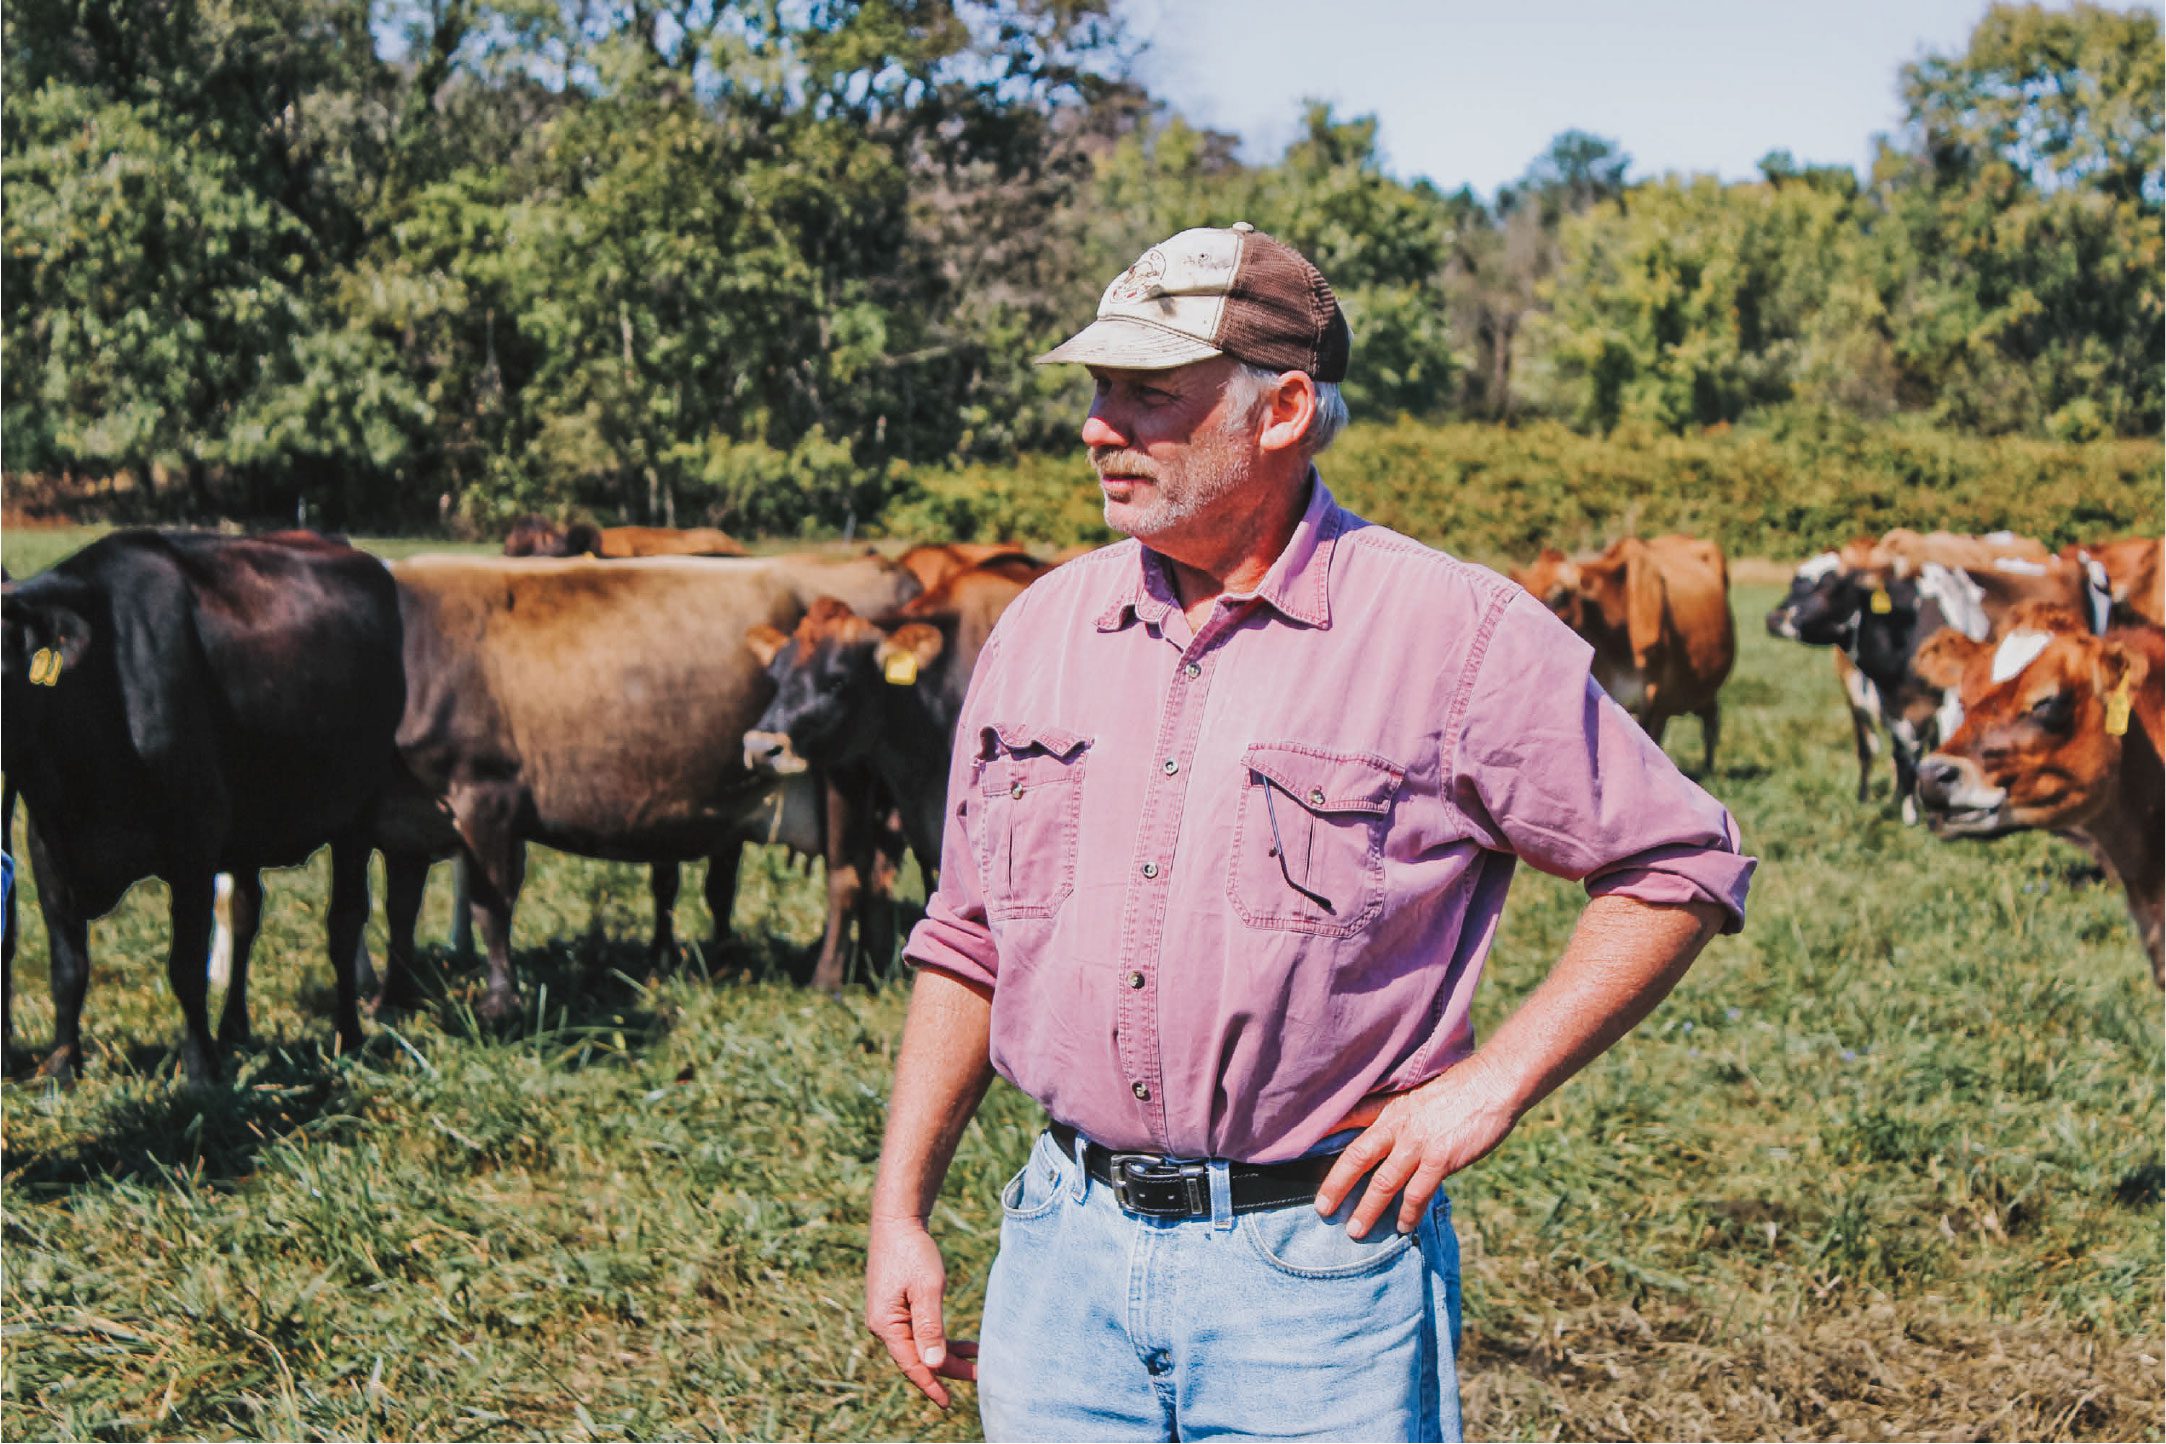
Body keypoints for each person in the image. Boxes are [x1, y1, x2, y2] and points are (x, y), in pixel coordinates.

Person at [864, 223, 1755, 1441]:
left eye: (1146, 393)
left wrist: (1489, 1087)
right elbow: (967, 938)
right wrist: (900, 1209)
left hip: (1316, 1275)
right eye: (1096, 389)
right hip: (1060, 1259)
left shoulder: (1455, 634)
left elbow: (1679, 860)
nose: (1097, 424)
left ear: (1279, 411)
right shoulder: (1039, 632)